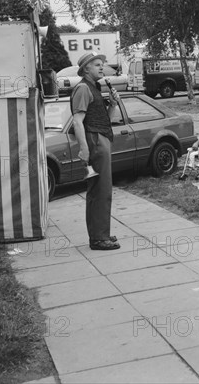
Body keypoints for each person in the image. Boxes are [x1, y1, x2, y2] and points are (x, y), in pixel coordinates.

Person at [70, 52, 121, 251]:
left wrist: (114, 104)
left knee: (100, 189)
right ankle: (99, 238)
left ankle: (101, 233)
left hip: (101, 137)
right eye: (97, 64)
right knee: (101, 190)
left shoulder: (95, 87)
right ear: (86, 69)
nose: (102, 67)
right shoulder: (83, 88)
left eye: (102, 64)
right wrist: (84, 149)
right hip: (94, 140)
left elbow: (105, 118)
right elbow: (77, 121)